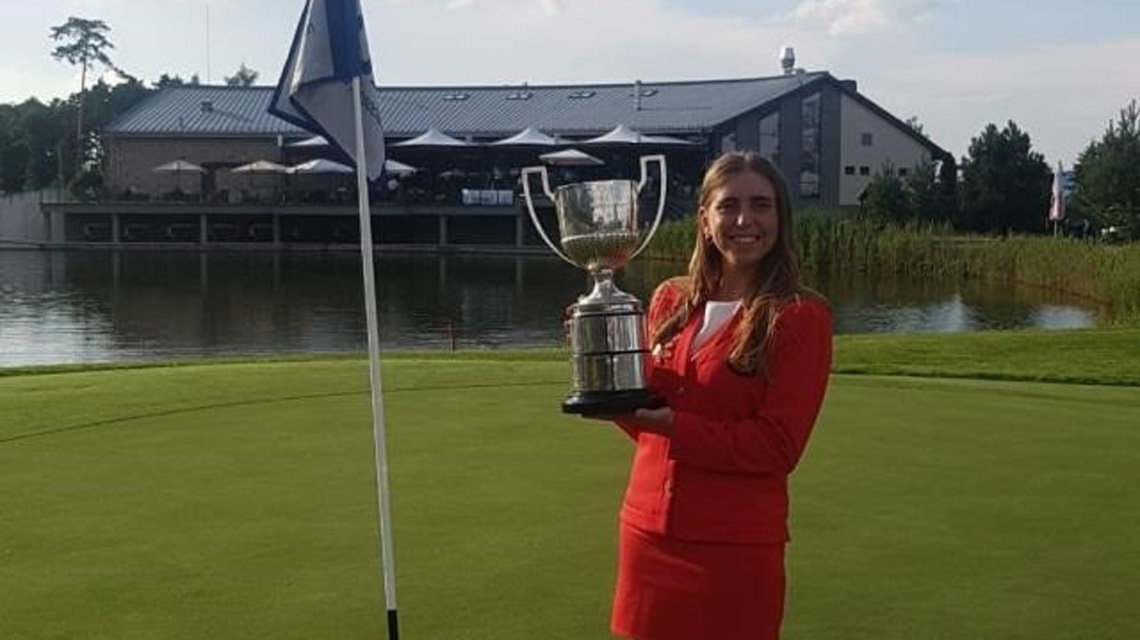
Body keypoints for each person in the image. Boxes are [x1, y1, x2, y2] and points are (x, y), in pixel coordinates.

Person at [603, 151, 833, 640]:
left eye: (761, 205)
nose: (745, 220)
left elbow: (776, 446)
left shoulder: (800, 317)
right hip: (646, 533)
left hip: (734, 548)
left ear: (780, 218)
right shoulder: (669, 301)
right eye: (728, 206)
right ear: (705, 219)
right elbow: (644, 416)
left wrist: (671, 427)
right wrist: (602, 362)